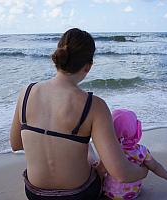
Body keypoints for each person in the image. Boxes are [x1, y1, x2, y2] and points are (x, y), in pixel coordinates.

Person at [9, 28, 148, 200]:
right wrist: (144, 171)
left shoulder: (26, 92)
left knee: (84, 145)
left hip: (35, 193)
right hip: (79, 195)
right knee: (90, 152)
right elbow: (121, 173)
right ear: (88, 66)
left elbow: (16, 144)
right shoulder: (94, 105)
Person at [102, 109, 167, 200]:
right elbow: (155, 167)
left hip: (109, 193)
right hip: (131, 194)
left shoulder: (110, 151)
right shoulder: (142, 151)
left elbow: (101, 169)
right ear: (137, 131)